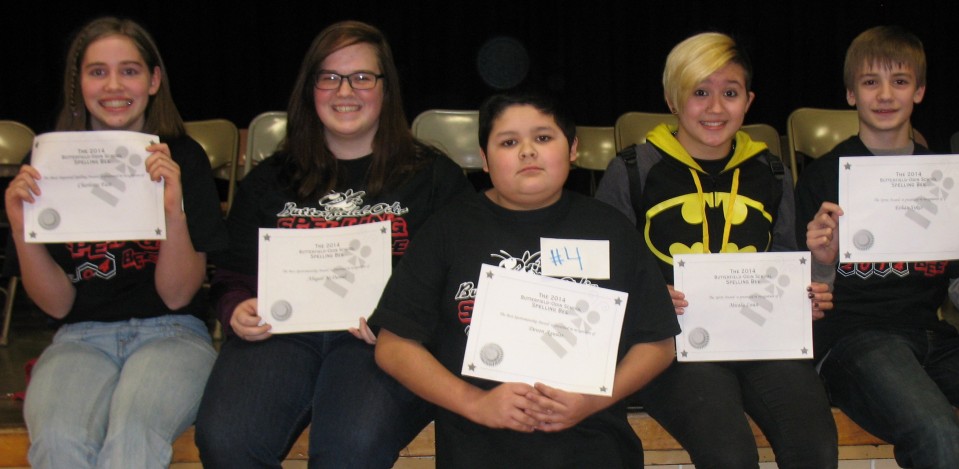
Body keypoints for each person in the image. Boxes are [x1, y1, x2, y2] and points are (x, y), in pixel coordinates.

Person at [193, 21, 472, 469]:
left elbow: (461, 281)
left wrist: (407, 323)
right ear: (310, 89)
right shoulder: (269, 180)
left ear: (386, 89)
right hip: (280, 336)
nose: (346, 91)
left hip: (383, 343)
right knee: (227, 441)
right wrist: (237, 308)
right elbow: (231, 275)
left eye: (362, 77)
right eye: (329, 77)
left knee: (349, 449)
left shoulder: (434, 178)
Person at [369, 92, 680, 468]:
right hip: (479, 449)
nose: (528, 151)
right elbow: (393, 346)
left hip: (593, 445)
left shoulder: (610, 228)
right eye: (509, 142)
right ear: (484, 159)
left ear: (573, 150)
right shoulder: (448, 230)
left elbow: (659, 343)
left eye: (544, 138)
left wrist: (592, 401)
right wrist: (477, 404)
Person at [594, 32, 839, 468]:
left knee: (815, 451)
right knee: (730, 457)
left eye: (730, 93)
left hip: (762, 342)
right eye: (699, 93)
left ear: (749, 101)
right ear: (672, 100)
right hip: (671, 348)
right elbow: (600, 273)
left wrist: (808, 294)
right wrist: (644, 301)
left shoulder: (773, 173)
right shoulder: (632, 170)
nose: (715, 107)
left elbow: (787, 263)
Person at [2, 17, 227, 468]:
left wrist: (172, 210)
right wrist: (20, 224)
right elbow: (57, 304)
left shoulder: (182, 158)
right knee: (57, 442)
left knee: (132, 440)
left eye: (129, 70)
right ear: (79, 82)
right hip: (80, 337)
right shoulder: (48, 163)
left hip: (172, 334)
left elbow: (178, 294)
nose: (113, 86)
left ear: (153, 80)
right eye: (97, 71)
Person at [795, 25, 959, 469]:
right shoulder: (823, 177)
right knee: (940, 440)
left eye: (899, 82)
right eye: (870, 82)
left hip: (933, 338)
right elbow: (805, 305)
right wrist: (823, 265)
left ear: (918, 92)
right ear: (850, 94)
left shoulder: (943, 176)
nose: (885, 95)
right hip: (851, 340)